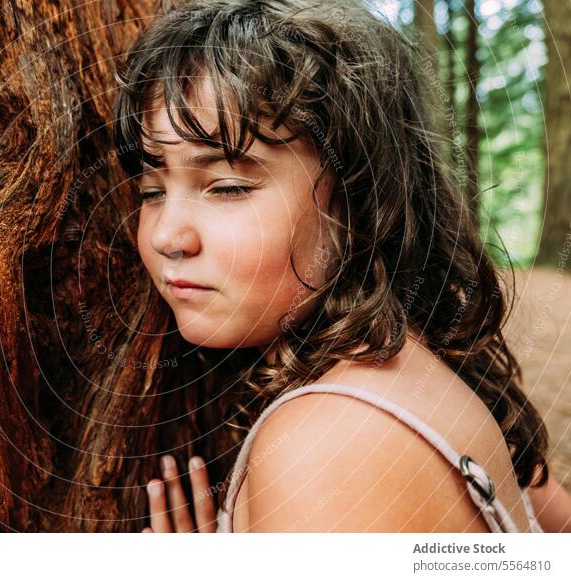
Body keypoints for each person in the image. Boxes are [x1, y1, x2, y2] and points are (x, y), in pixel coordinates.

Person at [111, 0, 571, 532]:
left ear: (361, 203)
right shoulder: (440, 373)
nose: (168, 236)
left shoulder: (324, 450)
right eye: (151, 190)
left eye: (228, 188)